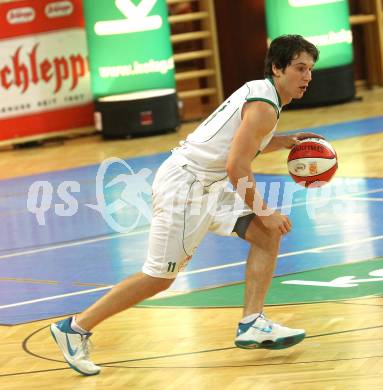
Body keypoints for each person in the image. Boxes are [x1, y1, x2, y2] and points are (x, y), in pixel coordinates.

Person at [50, 34, 321, 376]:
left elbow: (237, 144)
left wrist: (282, 141)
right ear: (277, 68)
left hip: (208, 183)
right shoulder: (265, 106)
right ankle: (73, 328)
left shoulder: (262, 93)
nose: (307, 77)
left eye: (310, 69)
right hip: (188, 188)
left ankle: (252, 322)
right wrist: (266, 211)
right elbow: (236, 166)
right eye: (300, 68)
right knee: (159, 278)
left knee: (268, 237)